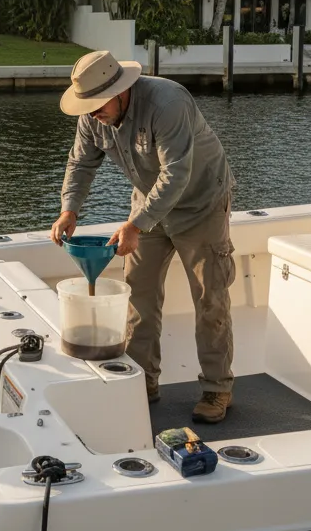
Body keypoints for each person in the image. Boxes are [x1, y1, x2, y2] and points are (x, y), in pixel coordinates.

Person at [49, 50, 237, 423]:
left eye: (97, 105)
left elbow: (176, 174)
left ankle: (217, 389)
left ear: (121, 92)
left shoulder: (168, 103)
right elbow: (81, 162)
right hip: (147, 205)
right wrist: (70, 209)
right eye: (85, 107)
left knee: (210, 299)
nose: (91, 114)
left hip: (201, 205)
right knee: (138, 297)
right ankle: (142, 383)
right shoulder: (93, 115)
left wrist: (136, 225)